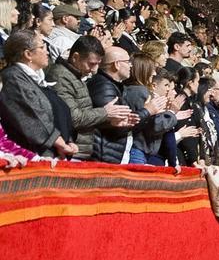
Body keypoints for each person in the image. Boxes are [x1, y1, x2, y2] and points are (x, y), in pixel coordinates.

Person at [45, 35, 135, 161]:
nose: (94, 70)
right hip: (71, 151)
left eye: (98, 64)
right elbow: (74, 118)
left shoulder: (76, 76)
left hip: (81, 151)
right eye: (91, 64)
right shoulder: (61, 77)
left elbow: (86, 113)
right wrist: (105, 112)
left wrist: (110, 121)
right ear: (75, 57)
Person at [0, 29, 76, 158]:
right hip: (34, 155)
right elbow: (32, 117)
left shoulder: (36, 79)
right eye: (42, 47)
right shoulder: (14, 79)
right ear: (28, 54)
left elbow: (56, 113)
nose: (47, 52)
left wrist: (69, 141)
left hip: (55, 153)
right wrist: (62, 145)